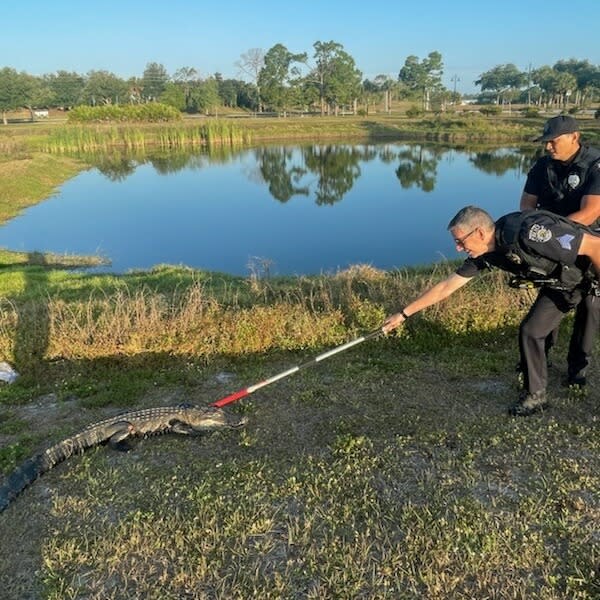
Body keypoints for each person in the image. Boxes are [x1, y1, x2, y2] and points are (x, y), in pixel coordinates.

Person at [382, 205, 600, 416]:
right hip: (564, 284)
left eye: (460, 241)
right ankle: (536, 396)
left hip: (594, 271)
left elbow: (594, 246)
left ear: (478, 232)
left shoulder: (529, 233)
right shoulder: (486, 253)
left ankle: (577, 377)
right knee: (531, 331)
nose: (458, 247)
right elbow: (446, 287)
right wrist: (403, 314)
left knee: (588, 324)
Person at [519, 115, 600, 387]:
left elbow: (590, 213)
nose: (548, 147)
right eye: (546, 142)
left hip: (592, 245)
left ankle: (578, 369)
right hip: (554, 244)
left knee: (590, 306)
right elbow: (527, 206)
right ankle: (540, 353)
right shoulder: (542, 167)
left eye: (553, 142)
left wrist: (552, 232)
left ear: (574, 137)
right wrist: (540, 235)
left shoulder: (595, 165)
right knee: (552, 292)